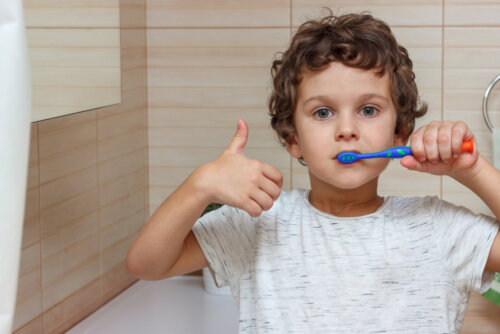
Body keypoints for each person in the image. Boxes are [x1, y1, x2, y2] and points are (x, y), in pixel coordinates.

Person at [127, 11, 500, 333]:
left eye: (368, 110)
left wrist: (472, 170)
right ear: (293, 139)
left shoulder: (436, 228)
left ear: (400, 131)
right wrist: (200, 186)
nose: (346, 129)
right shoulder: (257, 225)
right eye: (323, 112)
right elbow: (146, 264)